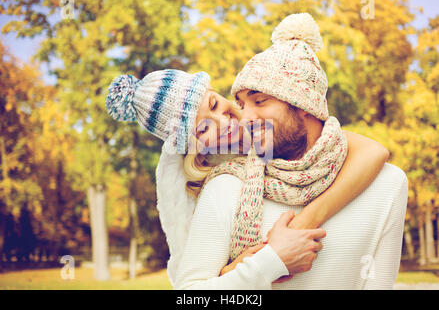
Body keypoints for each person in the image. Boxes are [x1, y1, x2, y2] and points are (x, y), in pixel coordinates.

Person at [105, 17, 392, 288]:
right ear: (194, 149)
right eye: (202, 129)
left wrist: (305, 222)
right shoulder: (219, 187)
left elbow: (373, 151)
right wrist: (266, 261)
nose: (225, 121)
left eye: (216, 105)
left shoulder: (271, 131)